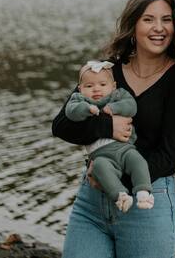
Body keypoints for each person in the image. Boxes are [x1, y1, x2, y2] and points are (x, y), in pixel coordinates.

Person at [52, 0, 175, 258]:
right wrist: (108, 127)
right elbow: (62, 124)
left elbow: (168, 156)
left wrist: (113, 179)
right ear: (133, 26)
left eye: (166, 20)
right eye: (148, 19)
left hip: (147, 201)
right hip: (92, 204)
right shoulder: (107, 72)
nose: (159, 28)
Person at [65, 59, 154, 212]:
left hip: (124, 149)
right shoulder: (79, 99)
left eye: (102, 84)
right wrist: (87, 109)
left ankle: (143, 192)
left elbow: (131, 107)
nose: (96, 89)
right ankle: (120, 196)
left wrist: (114, 107)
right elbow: (70, 112)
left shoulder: (117, 95)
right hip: (101, 156)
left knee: (138, 161)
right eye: (89, 86)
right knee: (100, 168)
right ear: (80, 89)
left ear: (113, 86)